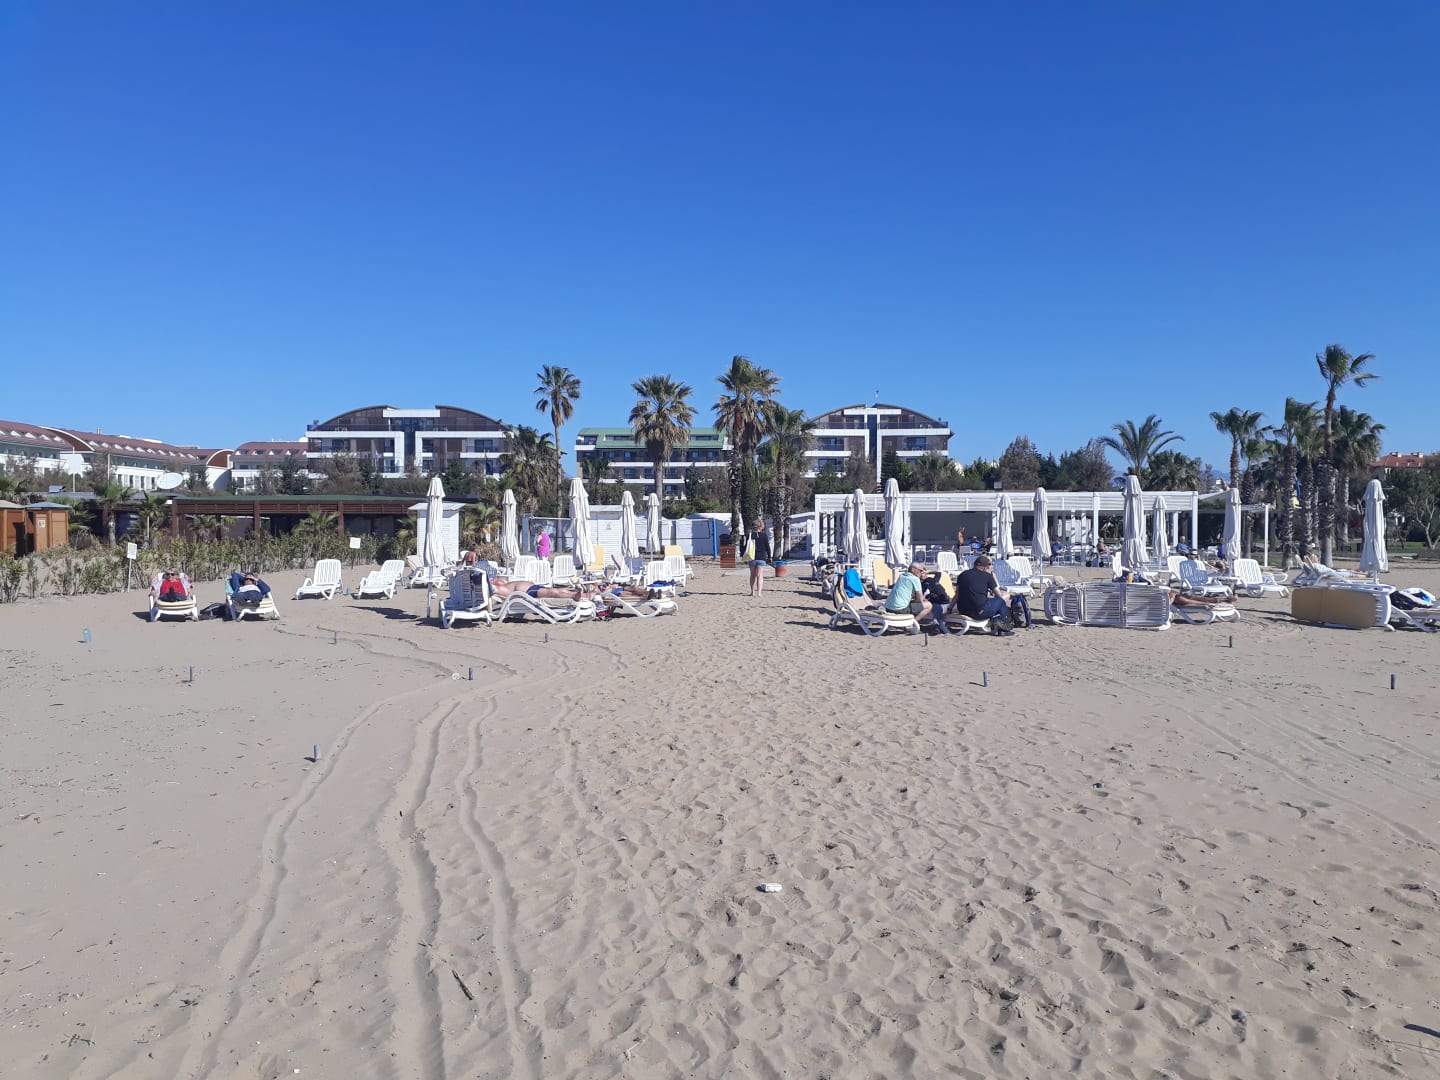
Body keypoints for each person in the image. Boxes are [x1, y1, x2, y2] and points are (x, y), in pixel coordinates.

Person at [953, 554, 1013, 634]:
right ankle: (1003, 629)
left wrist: (950, 608)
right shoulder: (987, 576)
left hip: (963, 611)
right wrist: (991, 576)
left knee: (989, 602)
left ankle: (996, 622)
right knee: (1000, 602)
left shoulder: (962, 575)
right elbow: (999, 595)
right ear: (985, 567)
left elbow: (956, 595)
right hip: (979, 613)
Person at [884, 562, 946, 631]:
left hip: (888, 607)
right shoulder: (915, 579)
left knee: (914, 603)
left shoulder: (902, 576)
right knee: (929, 605)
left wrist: (915, 599)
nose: (922, 572)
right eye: (920, 570)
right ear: (913, 569)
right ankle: (912, 623)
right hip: (899, 609)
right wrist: (920, 600)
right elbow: (920, 600)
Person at [748, 522, 771, 597]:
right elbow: (767, 547)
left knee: (752, 575)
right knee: (760, 575)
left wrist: (744, 556)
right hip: (761, 558)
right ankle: (759, 593)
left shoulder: (750, 535)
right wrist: (769, 557)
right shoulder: (764, 536)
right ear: (761, 527)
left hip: (752, 557)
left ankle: (752, 592)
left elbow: (746, 547)